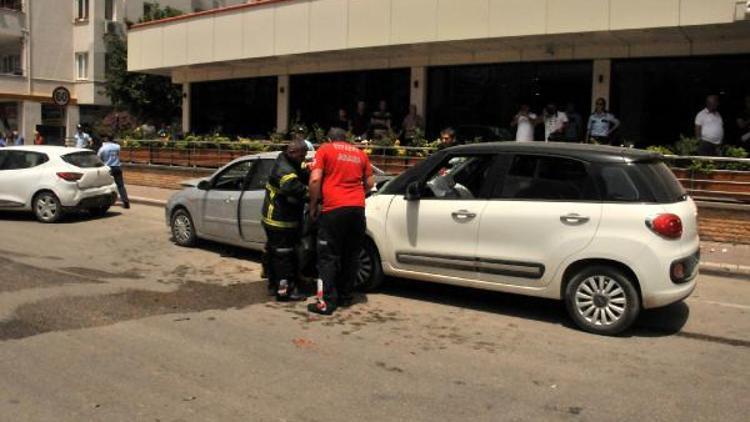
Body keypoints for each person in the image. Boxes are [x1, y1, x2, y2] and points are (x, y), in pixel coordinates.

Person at [307, 128, 375, 315]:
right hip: (357, 210)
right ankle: (345, 296)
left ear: (329, 138)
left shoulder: (325, 149)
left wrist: (313, 205)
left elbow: (314, 180)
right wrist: (356, 196)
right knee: (350, 255)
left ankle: (327, 302)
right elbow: (370, 184)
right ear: (347, 140)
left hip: (334, 210)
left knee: (327, 256)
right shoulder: (360, 154)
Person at [261, 139, 310, 301]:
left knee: (277, 253)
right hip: (279, 220)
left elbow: (303, 171)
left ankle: (274, 285)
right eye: (302, 155)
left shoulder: (290, 161)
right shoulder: (283, 170)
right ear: (293, 153)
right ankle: (285, 291)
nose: (304, 158)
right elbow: (295, 189)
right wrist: (317, 196)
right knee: (283, 255)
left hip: (283, 218)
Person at [97, 135, 130, 209]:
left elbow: (98, 158)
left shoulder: (102, 148)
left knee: (106, 185)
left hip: (108, 168)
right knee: (120, 185)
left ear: (106, 138)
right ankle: (125, 201)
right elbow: (118, 154)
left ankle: (105, 201)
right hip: (117, 167)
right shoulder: (117, 146)